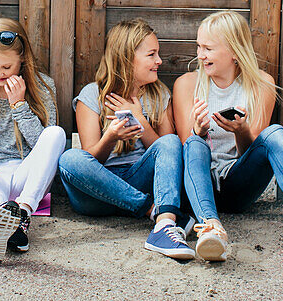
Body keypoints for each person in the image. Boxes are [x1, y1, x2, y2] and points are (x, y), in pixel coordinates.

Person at [173, 10, 283, 262]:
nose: (200, 55)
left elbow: (251, 153)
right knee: (193, 143)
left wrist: (241, 131)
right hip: (200, 188)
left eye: (208, 48)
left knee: (274, 132)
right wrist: (197, 131)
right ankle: (210, 228)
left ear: (234, 51)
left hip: (238, 185)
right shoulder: (187, 84)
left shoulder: (260, 84)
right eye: (199, 46)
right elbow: (184, 149)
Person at [57, 18, 194, 260]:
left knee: (172, 141)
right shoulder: (92, 95)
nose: (159, 61)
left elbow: (170, 153)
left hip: (138, 179)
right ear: (127, 58)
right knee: (70, 159)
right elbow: (90, 158)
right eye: (151, 54)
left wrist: (141, 122)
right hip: (97, 192)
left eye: (157, 54)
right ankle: (153, 211)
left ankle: (163, 226)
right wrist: (110, 137)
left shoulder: (158, 94)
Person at [0, 17, 65, 265]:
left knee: (56, 134)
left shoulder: (43, 87)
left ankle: (24, 211)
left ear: (22, 59)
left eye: (6, 67)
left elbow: (43, 146)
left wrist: (19, 105)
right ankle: (1, 238)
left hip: (29, 174)